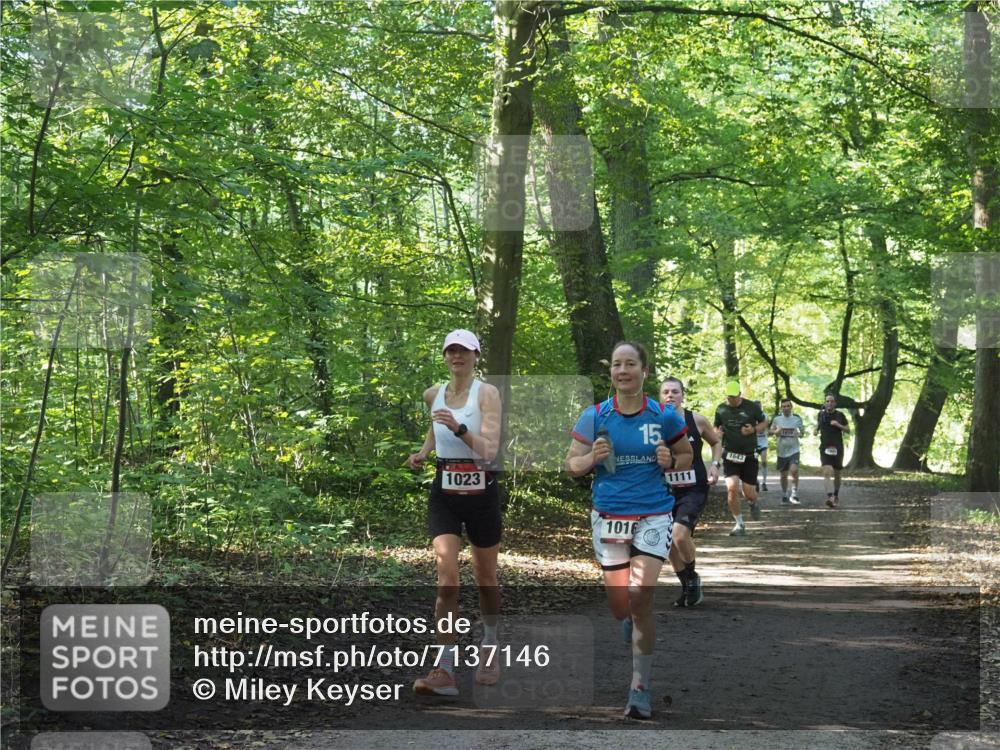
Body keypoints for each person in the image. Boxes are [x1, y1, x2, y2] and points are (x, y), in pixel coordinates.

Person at [565, 342, 693, 720]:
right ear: (612, 374)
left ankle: (640, 688)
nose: (624, 371)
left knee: (640, 596)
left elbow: (686, 454)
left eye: (631, 364)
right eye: (617, 365)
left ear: (645, 371)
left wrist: (672, 459)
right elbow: (572, 464)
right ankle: (628, 619)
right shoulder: (595, 416)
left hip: (654, 512)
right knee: (621, 603)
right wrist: (592, 458)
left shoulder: (664, 415)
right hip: (609, 515)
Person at [408, 329, 503, 696]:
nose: (457, 356)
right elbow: (435, 431)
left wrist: (461, 428)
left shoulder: (487, 394)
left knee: (486, 579)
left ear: (476, 355)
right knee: (446, 577)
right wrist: (423, 453)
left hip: (482, 492)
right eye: (451, 351)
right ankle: (444, 668)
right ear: (445, 356)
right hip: (444, 491)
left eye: (464, 351)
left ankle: (490, 646)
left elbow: (489, 450)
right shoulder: (433, 394)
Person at [659, 377, 722, 608]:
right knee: (668, 543)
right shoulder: (653, 424)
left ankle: (693, 578)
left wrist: (715, 465)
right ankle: (688, 587)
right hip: (664, 490)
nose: (670, 396)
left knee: (679, 534)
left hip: (693, 488)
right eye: (665, 392)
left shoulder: (696, 420)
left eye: (675, 391)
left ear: (682, 396)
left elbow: (716, 443)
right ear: (659, 396)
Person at [713, 381, 767, 536]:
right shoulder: (721, 409)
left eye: (734, 397)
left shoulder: (752, 407)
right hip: (730, 455)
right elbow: (716, 426)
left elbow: (765, 422)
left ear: (739, 394)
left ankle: (753, 502)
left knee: (749, 492)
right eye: (729, 397)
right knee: (732, 487)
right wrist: (717, 433)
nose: (731, 400)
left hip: (749, 455)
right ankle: (739, 524)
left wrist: (754, 429)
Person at [817, 393, 850, 508]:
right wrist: (815, 430)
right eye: (827, 401)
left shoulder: (840, 415)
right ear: (825, 403)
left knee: (837, 473)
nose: (829, 403)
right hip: (825, 447)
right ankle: (830, 496)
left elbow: (848, 430)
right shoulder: (820, 415)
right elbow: (818, 426)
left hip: (837, 447)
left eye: (832, 401)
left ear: (835, 403)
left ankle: (836, 495)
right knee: (827, 471)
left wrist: (838, 425)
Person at [769, 398, 804, 504]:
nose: (786, 408)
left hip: (794, 450)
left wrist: (798, 434)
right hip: (781, 451)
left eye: (788, 406)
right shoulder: (777, 419)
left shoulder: (797, 418)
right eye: (784, 406)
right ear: (781, 408)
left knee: (794, 470)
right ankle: (784, 494)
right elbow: (770, 431)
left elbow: (802, 433)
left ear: (791, 407)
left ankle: (794, 494)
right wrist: (776, 431)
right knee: (783, 475)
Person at [756, 411, 770, 492]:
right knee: (754, 463)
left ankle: (764, 483)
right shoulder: (751, 415)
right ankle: (755, 480)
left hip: (763, 442)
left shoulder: (765, 415)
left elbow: (764, 426)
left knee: (764, 461)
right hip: (754, 443)